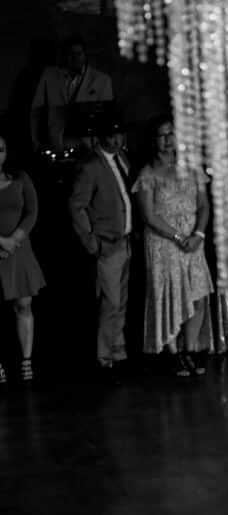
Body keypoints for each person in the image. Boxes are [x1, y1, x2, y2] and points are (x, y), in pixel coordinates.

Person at [132, 115, 214, 377]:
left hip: (194, 241)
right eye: (162, 135)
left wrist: (198, 234)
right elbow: (149, 215)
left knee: (198, 296)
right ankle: (172, 352)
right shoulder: (148, 174)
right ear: (154, 140)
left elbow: (203, 205)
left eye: (172, 134)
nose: (168, 140)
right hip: (164, 242)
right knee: (169, 296)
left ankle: (190, 349)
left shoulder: (193, 169)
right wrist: (179, 237)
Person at [68, 115, 133, 376]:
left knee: (121, 301)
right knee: (110, 303)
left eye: (120, 135)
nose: (117, 140)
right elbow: (76, 206)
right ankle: (104, 357)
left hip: (126, 241)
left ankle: (118, 350)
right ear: (101, 136)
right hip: (107, 244)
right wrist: (91, 241)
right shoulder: (91, 165)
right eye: (112, 135)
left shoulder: (123, 159)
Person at [0, 133, 45, 383]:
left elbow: (33, 211)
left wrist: (14, 239)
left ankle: (26, 360)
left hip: (19, 250)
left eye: (1, 149)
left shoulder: (20, 178)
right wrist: (1, 241)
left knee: (23, 304)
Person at [30, 34, 114, 154]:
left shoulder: (102, 80)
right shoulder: (50, 75)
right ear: (64, 55)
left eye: (78, 54)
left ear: (85, 55)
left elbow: (107, 118)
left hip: (88, 148)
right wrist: (36, 143)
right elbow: (36, 111)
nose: (74, 58)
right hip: (56, 144)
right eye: (70, 54)